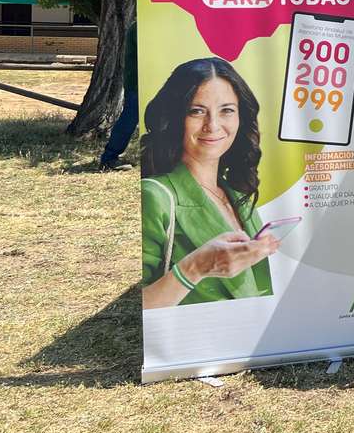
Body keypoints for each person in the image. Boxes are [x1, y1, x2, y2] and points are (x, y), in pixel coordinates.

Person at [140, 58, 279, 309]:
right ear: (174, 117)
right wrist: (196, 267)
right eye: (197, 111)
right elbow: (134, 309)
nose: (213, 125)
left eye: (227, 110)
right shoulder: (154, 197)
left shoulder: (237, 195)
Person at [100, 21, 138, 170]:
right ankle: (109, 158)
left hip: (145, 81)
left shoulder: (141, 25)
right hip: (138, 83)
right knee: (129, 118)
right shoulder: (141, 27)